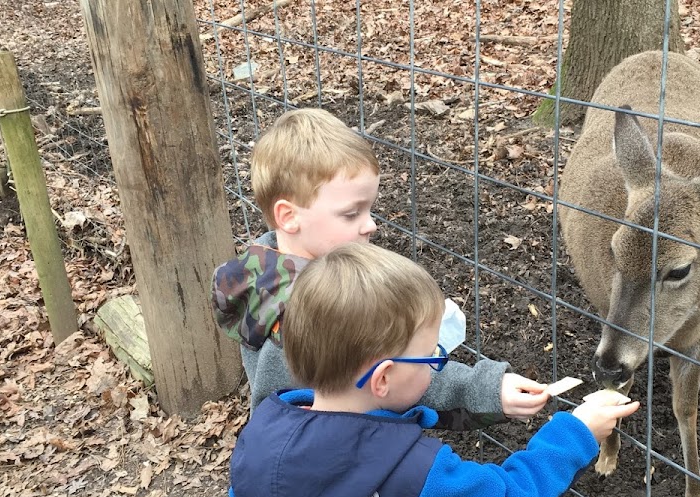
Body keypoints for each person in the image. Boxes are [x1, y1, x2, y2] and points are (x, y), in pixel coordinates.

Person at [228, 242, 640, 497]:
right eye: (431, 357)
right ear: (384, 378)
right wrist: (575, 433)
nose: (436, 368)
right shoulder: (414, 478)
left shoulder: (257, 444)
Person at [212, 107, 549, 428]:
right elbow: (390, 383)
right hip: (342, 467)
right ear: (290, 216)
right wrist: (487, 393)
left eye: (369, 209)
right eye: (351, 213)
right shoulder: (319, 311)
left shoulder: (260, 274)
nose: (371, 224)